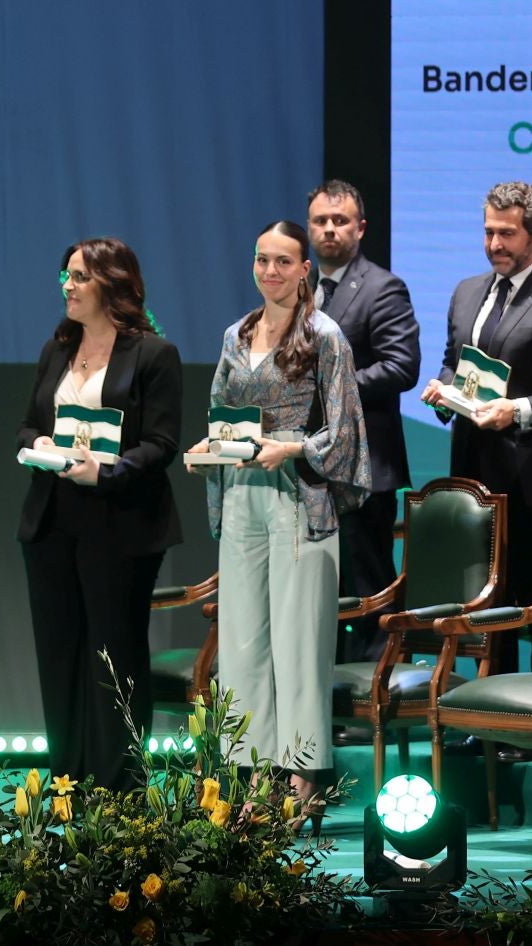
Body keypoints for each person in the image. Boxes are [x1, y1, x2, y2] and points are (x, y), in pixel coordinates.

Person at [188, 221, 370, 812]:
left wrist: (292, 447)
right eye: (262, 260)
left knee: (298, 641)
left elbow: (344, 429)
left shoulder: (325, 335)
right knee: (243, 640)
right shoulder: (236, 334)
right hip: (243, 491)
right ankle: (251, 774)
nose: (271, 271)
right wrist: (207, 449)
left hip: (298, 496)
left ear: (303, 270)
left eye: (283, 261)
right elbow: (223, 413)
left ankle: (302, 776)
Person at [16, 238, 183, 792]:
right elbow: (26, 424)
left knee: (115, 655)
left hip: (121, 523)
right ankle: (68, 783)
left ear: (112, 283)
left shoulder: (154, 354)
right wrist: (40, 442)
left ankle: (119, 790)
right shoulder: (56, 349)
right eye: (65, 275)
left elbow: (160, 444)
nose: (68, 285)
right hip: (52, 521)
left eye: (80, 276)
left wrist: (105, 472)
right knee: (59, 656)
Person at [420, 182, 532, 672]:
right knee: (482, 596)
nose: (495, 244)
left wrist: (518, 409)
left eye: (507, 234)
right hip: (474, 473)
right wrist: (443, 390)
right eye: (488, 232)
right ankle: (485, 705)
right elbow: (452, 362)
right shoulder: (465, 291)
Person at [306, 180, 421, 663]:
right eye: (320, 221)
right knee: (319, 591)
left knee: (366, 587)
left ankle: (370, 701)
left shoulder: (382, 287)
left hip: (364, 467)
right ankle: (323, 700)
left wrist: (333, 383)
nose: (330, 230)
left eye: (340, 221)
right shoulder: (299, 288)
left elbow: (401, 366)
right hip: (310, 465)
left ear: (361, 227)